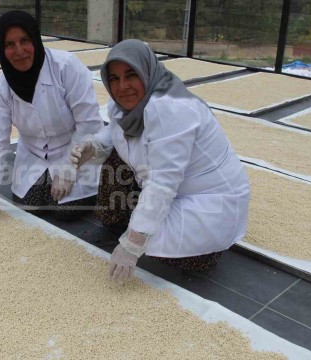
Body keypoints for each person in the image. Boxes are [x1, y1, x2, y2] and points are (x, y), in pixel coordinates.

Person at [71, 39, 250, 281]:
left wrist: (133, 243)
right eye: (114, 78)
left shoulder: (171, 110)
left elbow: (163, 183)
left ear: (147, 71)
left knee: (167, 251)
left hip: (209, 198)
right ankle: (117, 224)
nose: (122, 86)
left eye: (131, 75)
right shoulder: (122, 105)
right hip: (173, 185)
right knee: (114, 159)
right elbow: (113, 131)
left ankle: (208, 251)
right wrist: (92, 147)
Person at [0, 10, 103, 231]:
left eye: (25, 40)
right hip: (34, 153)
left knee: (65, 210)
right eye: (9, 44)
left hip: (75, 149)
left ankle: (93, 186)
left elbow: (89, 124)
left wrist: (68, 169)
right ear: (1, 49)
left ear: (35, 39)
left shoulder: (66, 67)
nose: (19, 51)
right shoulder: (3, 86)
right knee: (28, 205)